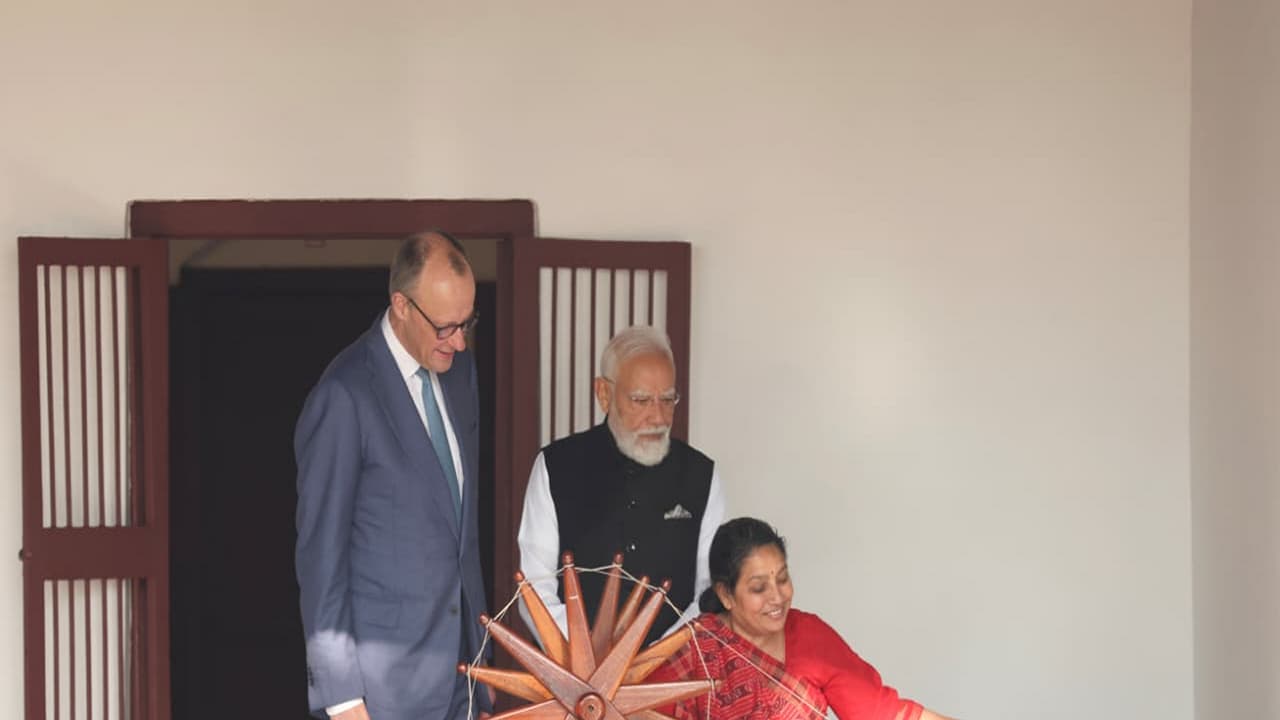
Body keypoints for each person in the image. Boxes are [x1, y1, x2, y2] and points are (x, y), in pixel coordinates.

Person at [295, 231, 490, 720]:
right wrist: (342, 699)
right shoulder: (345, 396)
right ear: (401, 305)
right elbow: (321, 559)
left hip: (464, 677)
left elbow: (455, 529)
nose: (460, 341)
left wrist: (482, 671)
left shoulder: (459, 373)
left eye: (468, 322)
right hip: (381, 693)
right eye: (446, 327)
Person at [517, 325, 726, 646]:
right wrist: (589, 657)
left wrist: (661, 658)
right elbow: (535, 584)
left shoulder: (700, 474)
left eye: (668, 400)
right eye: (641, 400)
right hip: (577, 675)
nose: (658, 417)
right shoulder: (557, 466)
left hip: (675, 669)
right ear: (603, 394)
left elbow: (709, 590)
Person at [650, 518, 957, 720]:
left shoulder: (809, 635)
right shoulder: (694, 650)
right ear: (726, 595)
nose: (777, 597)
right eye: (758, 588)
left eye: (782, 579)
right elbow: (629, 710)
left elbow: (883, 712)